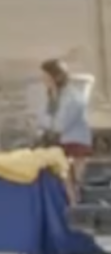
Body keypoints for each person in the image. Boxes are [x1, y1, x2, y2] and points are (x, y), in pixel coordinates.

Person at [37, 59, 93, 194]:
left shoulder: (73, 98)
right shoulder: (52, 96)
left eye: (46, 77)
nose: (44, 81)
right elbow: (44, 116)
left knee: (72, 182)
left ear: (56, 77)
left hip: (75, 144)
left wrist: (43, 121)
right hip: (58, 143)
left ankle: (76, 208)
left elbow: (60, 125)